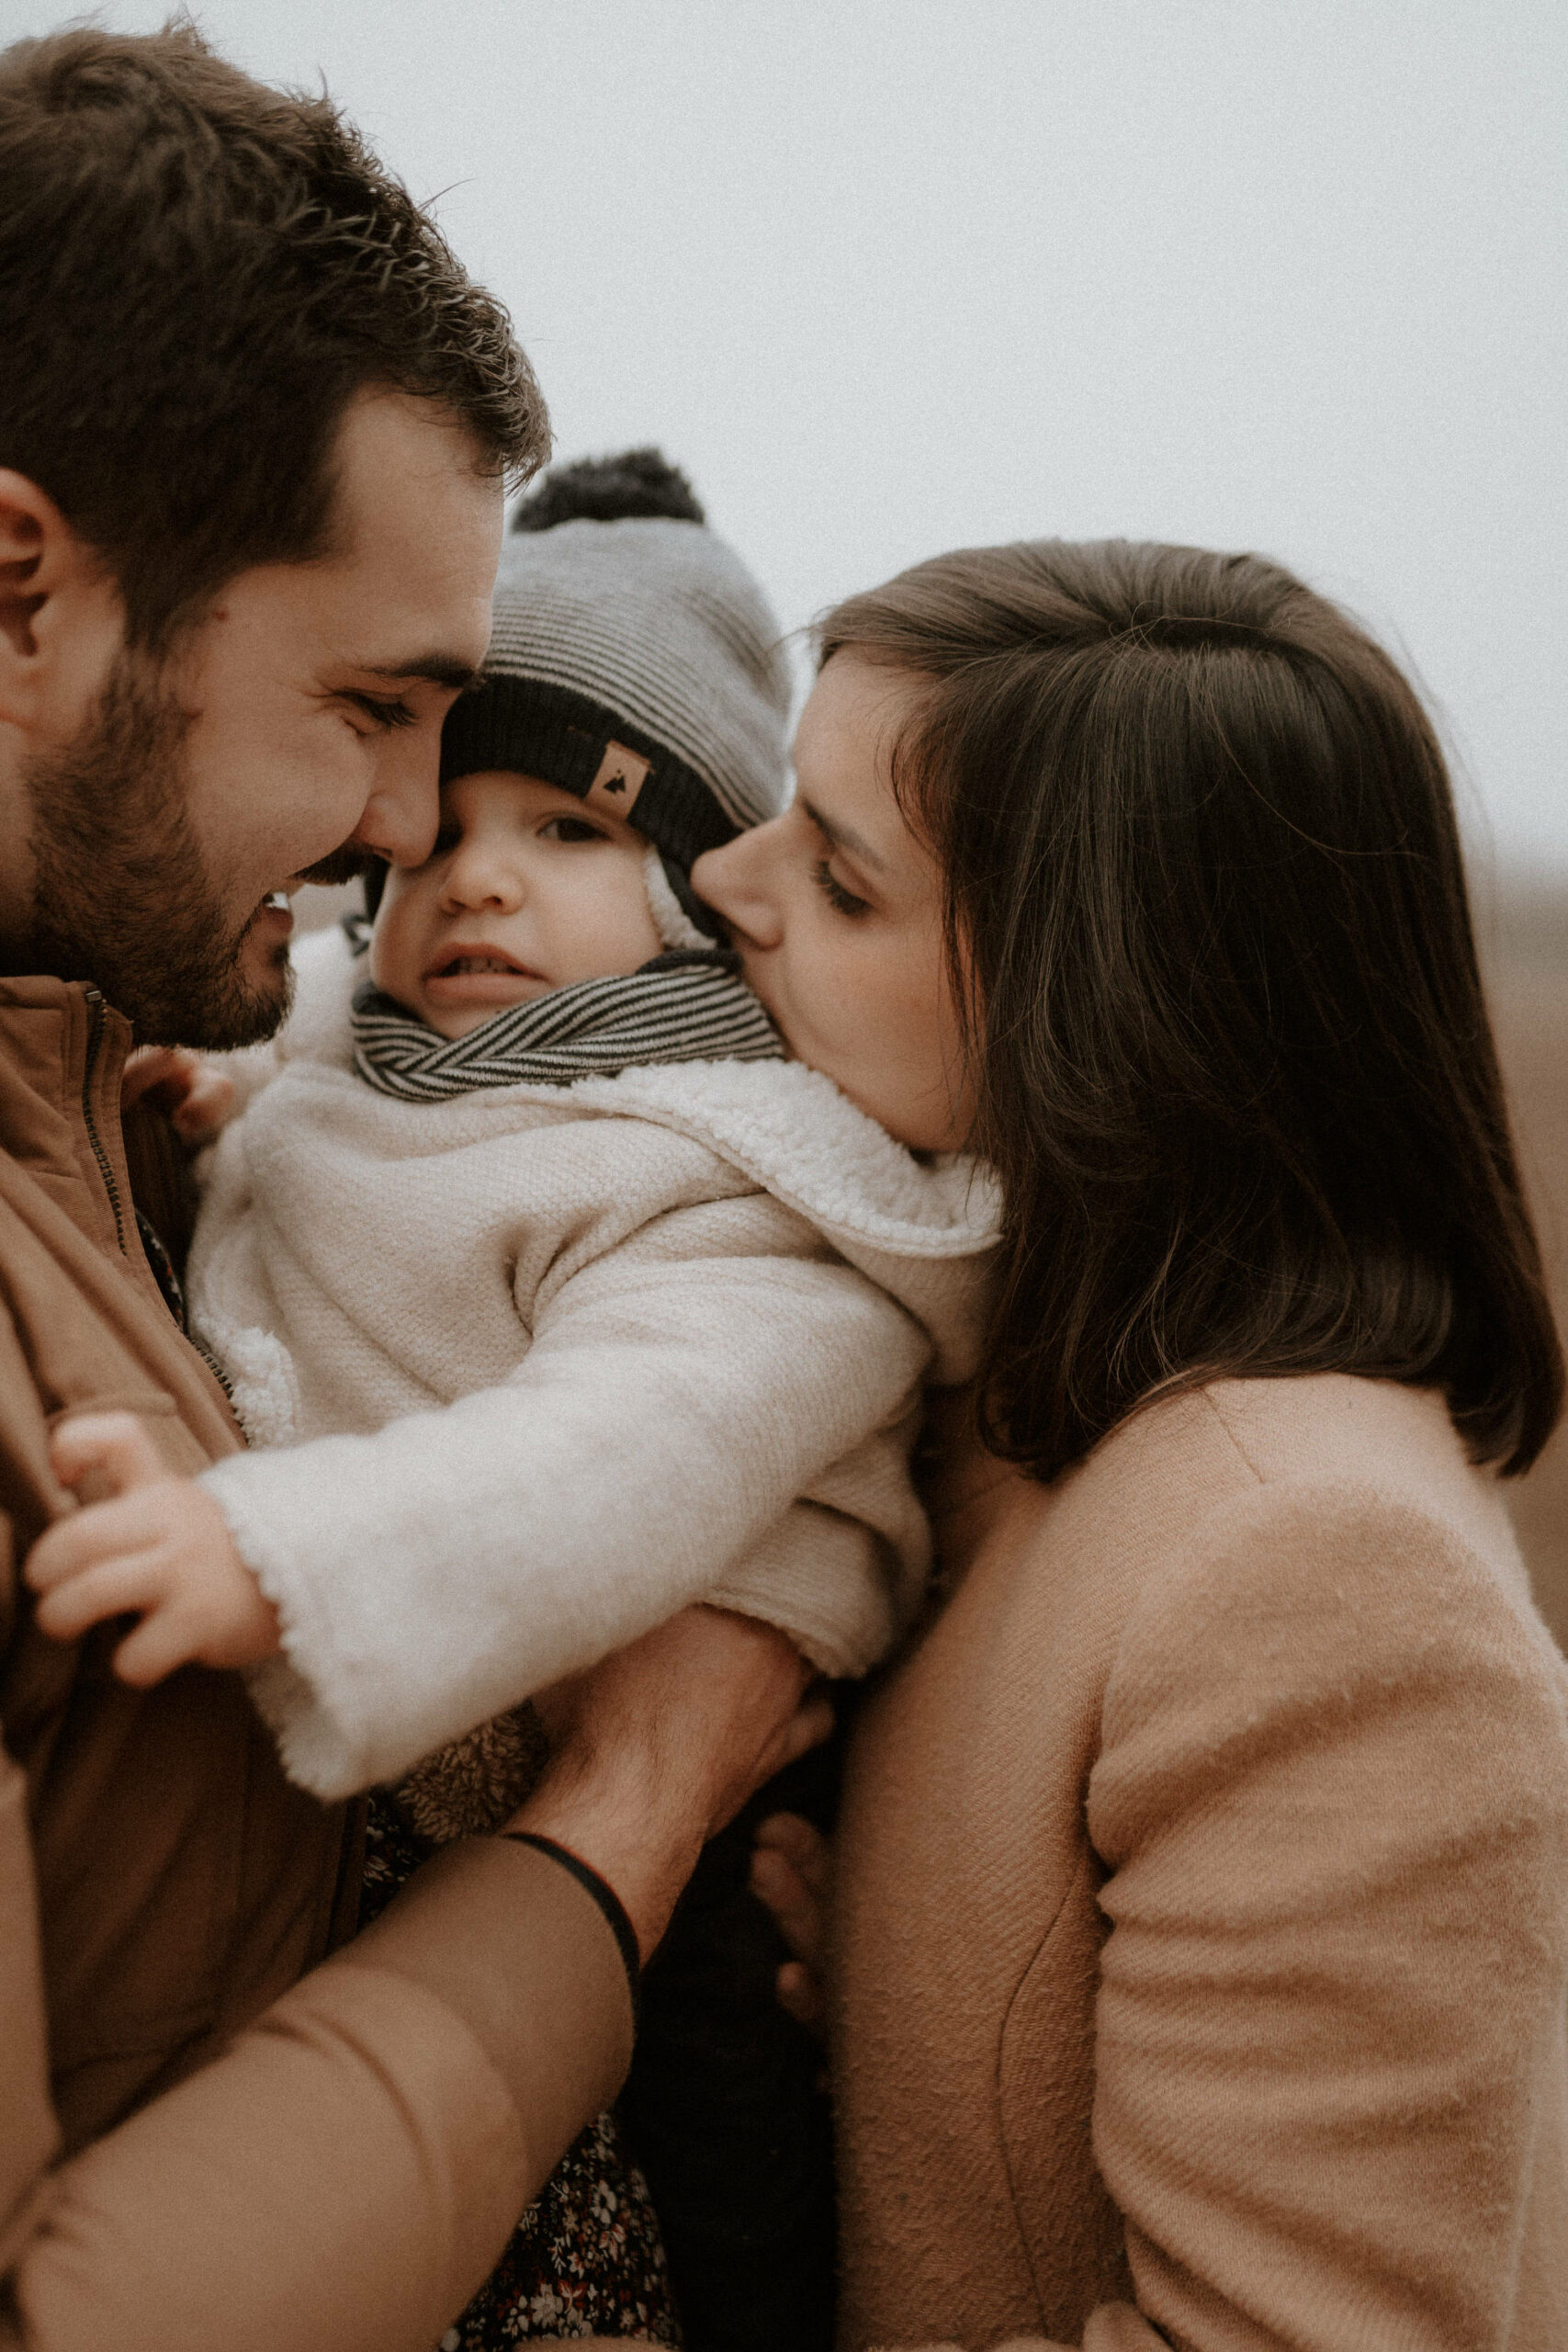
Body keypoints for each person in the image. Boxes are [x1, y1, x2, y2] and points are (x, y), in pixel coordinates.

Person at [0, 24, 822, 2349]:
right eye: (374, 711)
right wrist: (628, 1819)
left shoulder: (120, 1077)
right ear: (20, 587)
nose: (401, 835)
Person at [28, 448, 998, 2351]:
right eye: (429, 834)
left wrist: (277, 1552)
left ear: (709, 895)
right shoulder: (372, 1053)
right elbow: (323, 1124)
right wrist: (207, 1135)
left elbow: (604, 1457)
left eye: (566, 829)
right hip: (414, 1776)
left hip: (668, 1796)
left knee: (652, 2214)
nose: (472, 871)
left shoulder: (732, 1190)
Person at [694, 538, 1568, 2348]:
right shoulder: (992, 1406)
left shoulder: (1316, 1568)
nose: (718, 878)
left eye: (839, 879)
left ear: (1099, 1021)